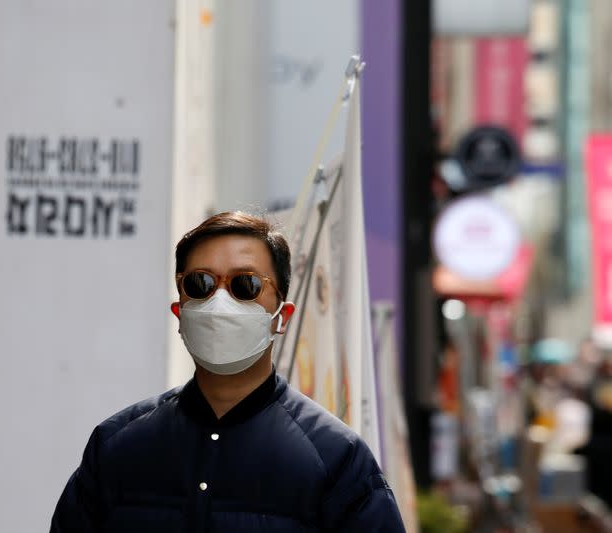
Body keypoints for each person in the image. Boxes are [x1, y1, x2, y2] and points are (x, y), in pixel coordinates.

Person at [51, 211, 405, 532]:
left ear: (282, 316)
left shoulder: (336, 457)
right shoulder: (117, 447)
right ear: (180, 312)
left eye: (245, 285)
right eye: (200, 284)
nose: (219, 303)